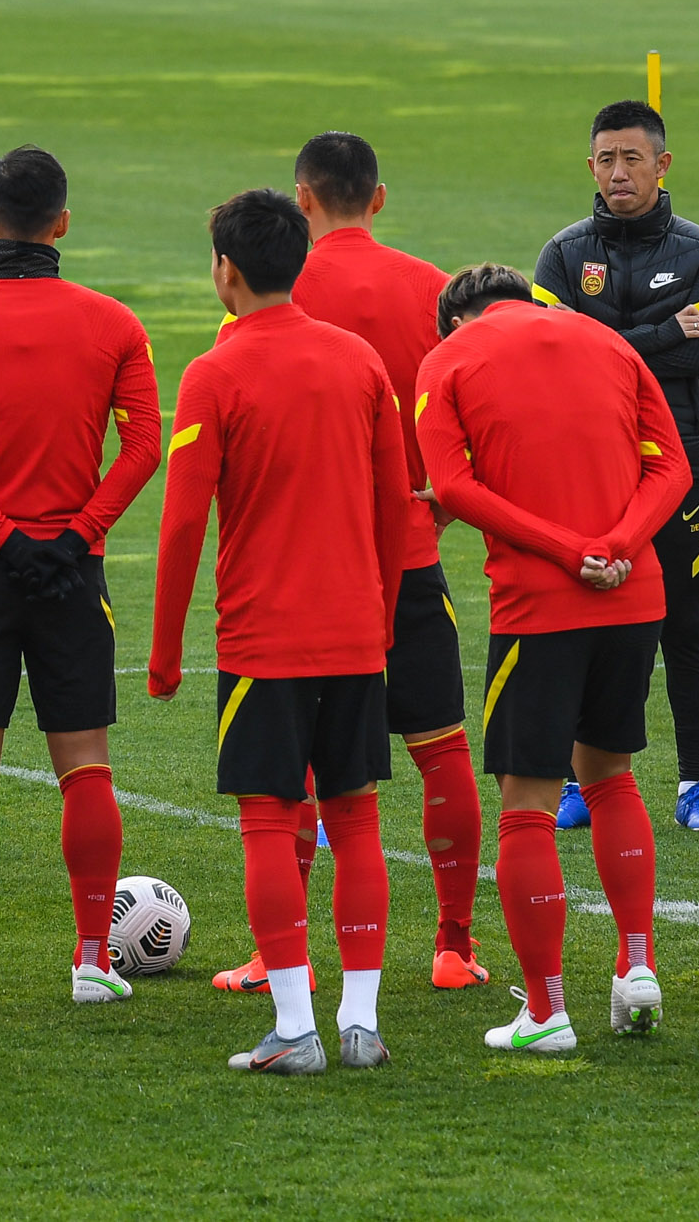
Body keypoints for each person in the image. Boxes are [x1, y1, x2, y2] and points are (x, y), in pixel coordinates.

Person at [149, 189, 410, 1075]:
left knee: (269, 822)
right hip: (354, 633)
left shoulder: (213, 373)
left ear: (225, 269)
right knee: (357, 818)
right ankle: (361, 1023)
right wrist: (380, 613)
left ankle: (295, 1026)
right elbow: (395, 504)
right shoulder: (360, 361)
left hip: (264, 640)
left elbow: (183, 525)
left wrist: (163, 652)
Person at [0, 146, 161, 1011]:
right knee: (86, 767)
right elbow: (143, 446)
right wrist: (77, 533)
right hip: (71, 572)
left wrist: (0, 534)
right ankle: (93, 960)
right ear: (62, 225)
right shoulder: (115, 325)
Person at [415, 263, 689, 1055]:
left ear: (455, 319)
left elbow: (452, 487)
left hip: (539, 607)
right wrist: (619, 544)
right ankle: (637, 967)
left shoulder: (448, 360)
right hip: (635, 594)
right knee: (611, 776)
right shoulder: (608, 342)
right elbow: (672, 467)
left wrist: (570, 551)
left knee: (527, 804)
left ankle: (546, 1010)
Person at [241, 129, 487, 995]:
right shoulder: (435, 289)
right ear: (377, 198)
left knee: (299, 765)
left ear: (301, 199)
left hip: (303, 573)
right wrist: (436, 503)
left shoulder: (272, 284)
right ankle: (454, 944)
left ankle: (282, 953)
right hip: (409, 554)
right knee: (441, 748)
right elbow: (474, 416)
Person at [532, 102, 699, 834]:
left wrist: (607, 337)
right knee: (588, 627)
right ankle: (577, 783)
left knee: (686, 627)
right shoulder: (561, 254)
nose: (619, 172)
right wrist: (663, 330)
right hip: (588, 469)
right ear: (591, 166)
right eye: (607, 159)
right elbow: (554, 359)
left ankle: (694, 785)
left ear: (662, 165)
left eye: (633, 158)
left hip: (681, 466)